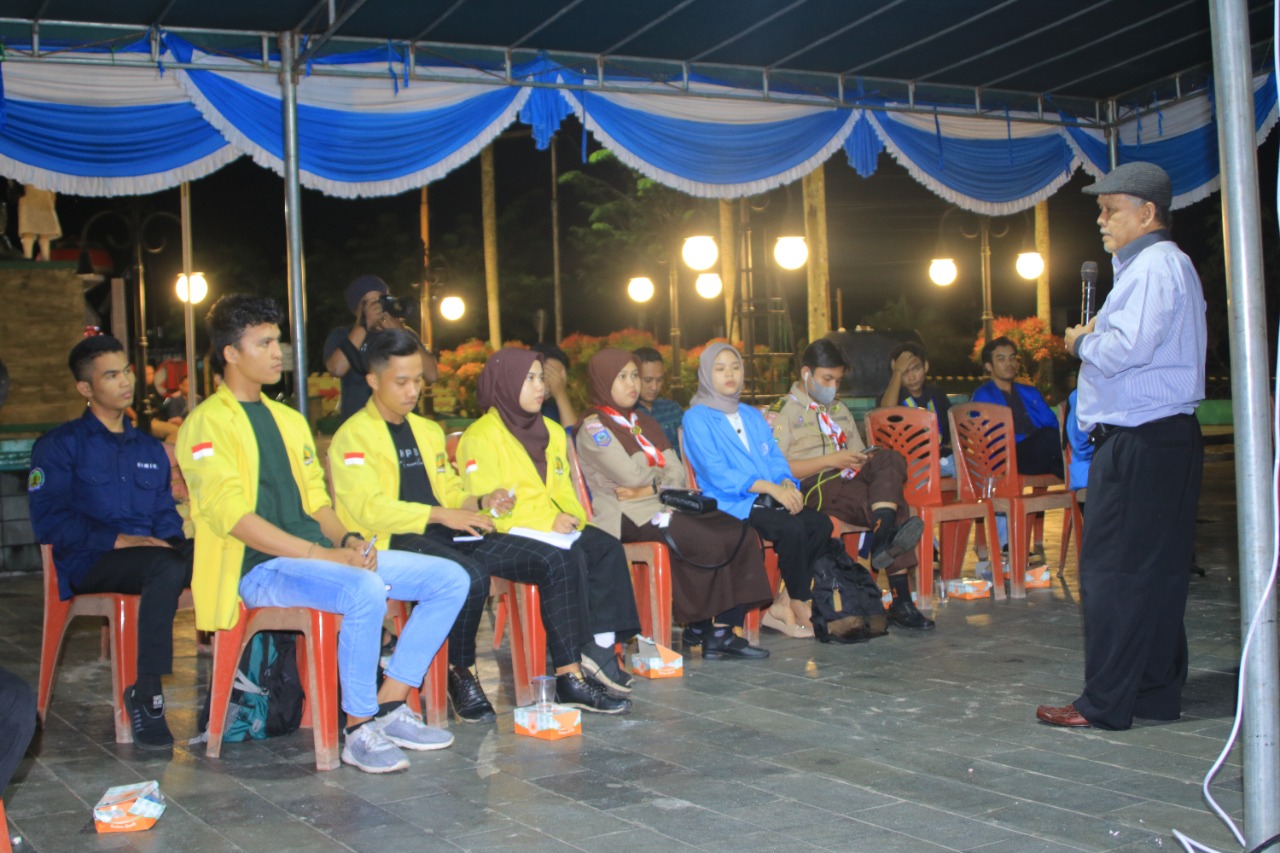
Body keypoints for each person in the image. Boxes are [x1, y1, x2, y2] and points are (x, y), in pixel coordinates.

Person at [178, 295, 470, 773]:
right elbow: (234, 518)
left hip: (313, 558)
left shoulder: (289, 420)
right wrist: (323, 555)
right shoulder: (206, 424)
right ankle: (358, 728)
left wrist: (349, 541)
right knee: (363, 588)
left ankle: (391, 702)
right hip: (256, 567)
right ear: (230, 353)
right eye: (264, 343)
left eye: (278, 341)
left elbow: (317, 503)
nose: (278, 352)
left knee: (450, 579)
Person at [329, 331, 628, 717]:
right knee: (468, 575)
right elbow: (366, 508)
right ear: (373, 380)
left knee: (556, 559)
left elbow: (450, 490)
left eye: (417, 380)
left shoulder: (426, 431)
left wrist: (482, 501)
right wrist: (441, 514)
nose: (412, 391)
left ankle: (569, 676)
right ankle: (461, 671)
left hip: (445, 530)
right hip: (392, 538)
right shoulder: (353, 435)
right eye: (401, 382)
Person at [1037, 162, 1205, 731]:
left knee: (1114, 574)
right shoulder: (1162, 266)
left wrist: (1082, 342)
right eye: (1100, 211)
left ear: (1148, 212)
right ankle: (1152, 692)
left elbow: (1127, 348)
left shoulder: (1156, 266)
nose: (1102, 221)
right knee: (1155, 574)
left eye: (1111, 210)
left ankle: (1105, 702)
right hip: (1160, 437)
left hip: (1141, 439)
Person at [28, 334, 194, 748]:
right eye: (111, 375)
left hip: (149, 557)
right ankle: (147, 693)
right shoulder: (59, 445)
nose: (126, 382)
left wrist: (171, 542)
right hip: (90, 560)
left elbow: (164, 515)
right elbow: (49, 521)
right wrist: (120, 539)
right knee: (165, 566)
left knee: (224, 553)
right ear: (86, 388)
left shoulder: (149, 449)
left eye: (127, 371)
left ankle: (250, 686)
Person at [456, 347, 641, 700]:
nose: (540, 386)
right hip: (506, 532)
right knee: (570, 559)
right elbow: (488, 506)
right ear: (506, 383)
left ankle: (600, 649)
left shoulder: (553, 431)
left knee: (606, 548)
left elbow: (564, 488)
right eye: (529, 379)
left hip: (554, 526)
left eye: (541, 378)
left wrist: (573, 519)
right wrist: (546, 521)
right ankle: (578, 656)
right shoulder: (480, 436)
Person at [576, 348, 773, 658]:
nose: (632, 384)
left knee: (738, 532)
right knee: (705, 539)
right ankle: (704, 626)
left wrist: (650, 483)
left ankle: (720, 628)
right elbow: (628, 475)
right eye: (622, 377)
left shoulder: (643, 421)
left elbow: (677, 471)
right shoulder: (594, 428)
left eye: (635, 376)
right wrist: (658, 477)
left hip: (667, 504)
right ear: (603, 381)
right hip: (628, 515)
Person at [771, 340, 933, 631]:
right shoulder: (783, 411)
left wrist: (862, 459)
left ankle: (883, 533)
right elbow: (777, 468)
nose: (833, 387)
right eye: (826, 379)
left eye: (837, 380)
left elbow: (861, 455)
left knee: (890, 458)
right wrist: (832, 460)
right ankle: (901, 597)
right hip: (814, 484)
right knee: (893, 503)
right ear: (806, 373)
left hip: (848, 476)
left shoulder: (839, 409)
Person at [681, 343, 832, 637]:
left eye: (735, 367)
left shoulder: (750, 415)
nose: (730, 374)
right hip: (728, 503)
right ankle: (800, 601)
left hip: (766, 497)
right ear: (706, 374)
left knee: (819, 523)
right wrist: (770, 488)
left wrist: (785, 482)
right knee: (791, 528)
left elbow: (774, 457)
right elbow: (716, 472)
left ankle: (783, 603)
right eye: (720, 369)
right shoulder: (696, 417)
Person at [971, 337, 1064, 480]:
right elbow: (989, 438)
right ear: (989, 366)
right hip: (1007, 457)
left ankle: (1086, 486)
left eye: (1012, 358)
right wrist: (1031, 438)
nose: (1009, 363)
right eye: (1001, 359)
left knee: (1059, 459)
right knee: (1048, 438)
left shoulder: (1030, 392)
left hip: (1039, 451)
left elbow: (1052, 422)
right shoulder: (983, 396)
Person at [324, 275, 406, 424]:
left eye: (380, 300)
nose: (376, 307)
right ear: (357, 309)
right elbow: (336, 368)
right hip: (359, 425)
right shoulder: (342, 335)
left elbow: (431, 374)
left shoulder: (402, 332)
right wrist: (364, 324)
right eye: (368, 303)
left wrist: (399, 334)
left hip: (399, 423)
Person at [879, 341, 953, 477]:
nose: (911, 377)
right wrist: (897, 371)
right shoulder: (892, 398)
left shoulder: (937, 394)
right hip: (909, 461)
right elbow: (885, 413)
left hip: (942, 456)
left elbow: (952, 428)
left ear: (926, 366)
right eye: (904, 372)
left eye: (916, 369)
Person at [632, 346, 684, 455]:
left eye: (659, 380)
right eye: (648, 380)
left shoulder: (672, 410)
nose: (654, 387)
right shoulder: (625, 415)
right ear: (634, 377)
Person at [530, 343, 578, 426]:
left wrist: (561, 394)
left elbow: (572, 432)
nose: (555, 384)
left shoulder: (552, 408)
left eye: (559, 378)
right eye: (549, 375)